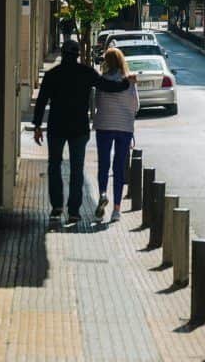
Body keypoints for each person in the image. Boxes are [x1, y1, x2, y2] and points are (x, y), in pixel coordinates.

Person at [33, 39, 135, 226]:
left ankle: (57, 207)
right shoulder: (86, 72)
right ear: (78, 54)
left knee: (54, 166)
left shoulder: (52, 74)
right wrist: (126, 84)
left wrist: (37, 126)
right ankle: (74, 211)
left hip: (56, 127)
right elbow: (107, 86)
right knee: (76, 169)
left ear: (63, 53)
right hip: (79, 128)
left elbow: (41, 101)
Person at [93, 47, 139, 223]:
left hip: (104, 125)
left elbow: (97, 102)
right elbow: (135, 106)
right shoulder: (129, 81)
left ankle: (103, 194)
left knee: (103, 164)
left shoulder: (102, 81)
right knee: (119, 167)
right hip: (124, 128)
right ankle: (116, 210)